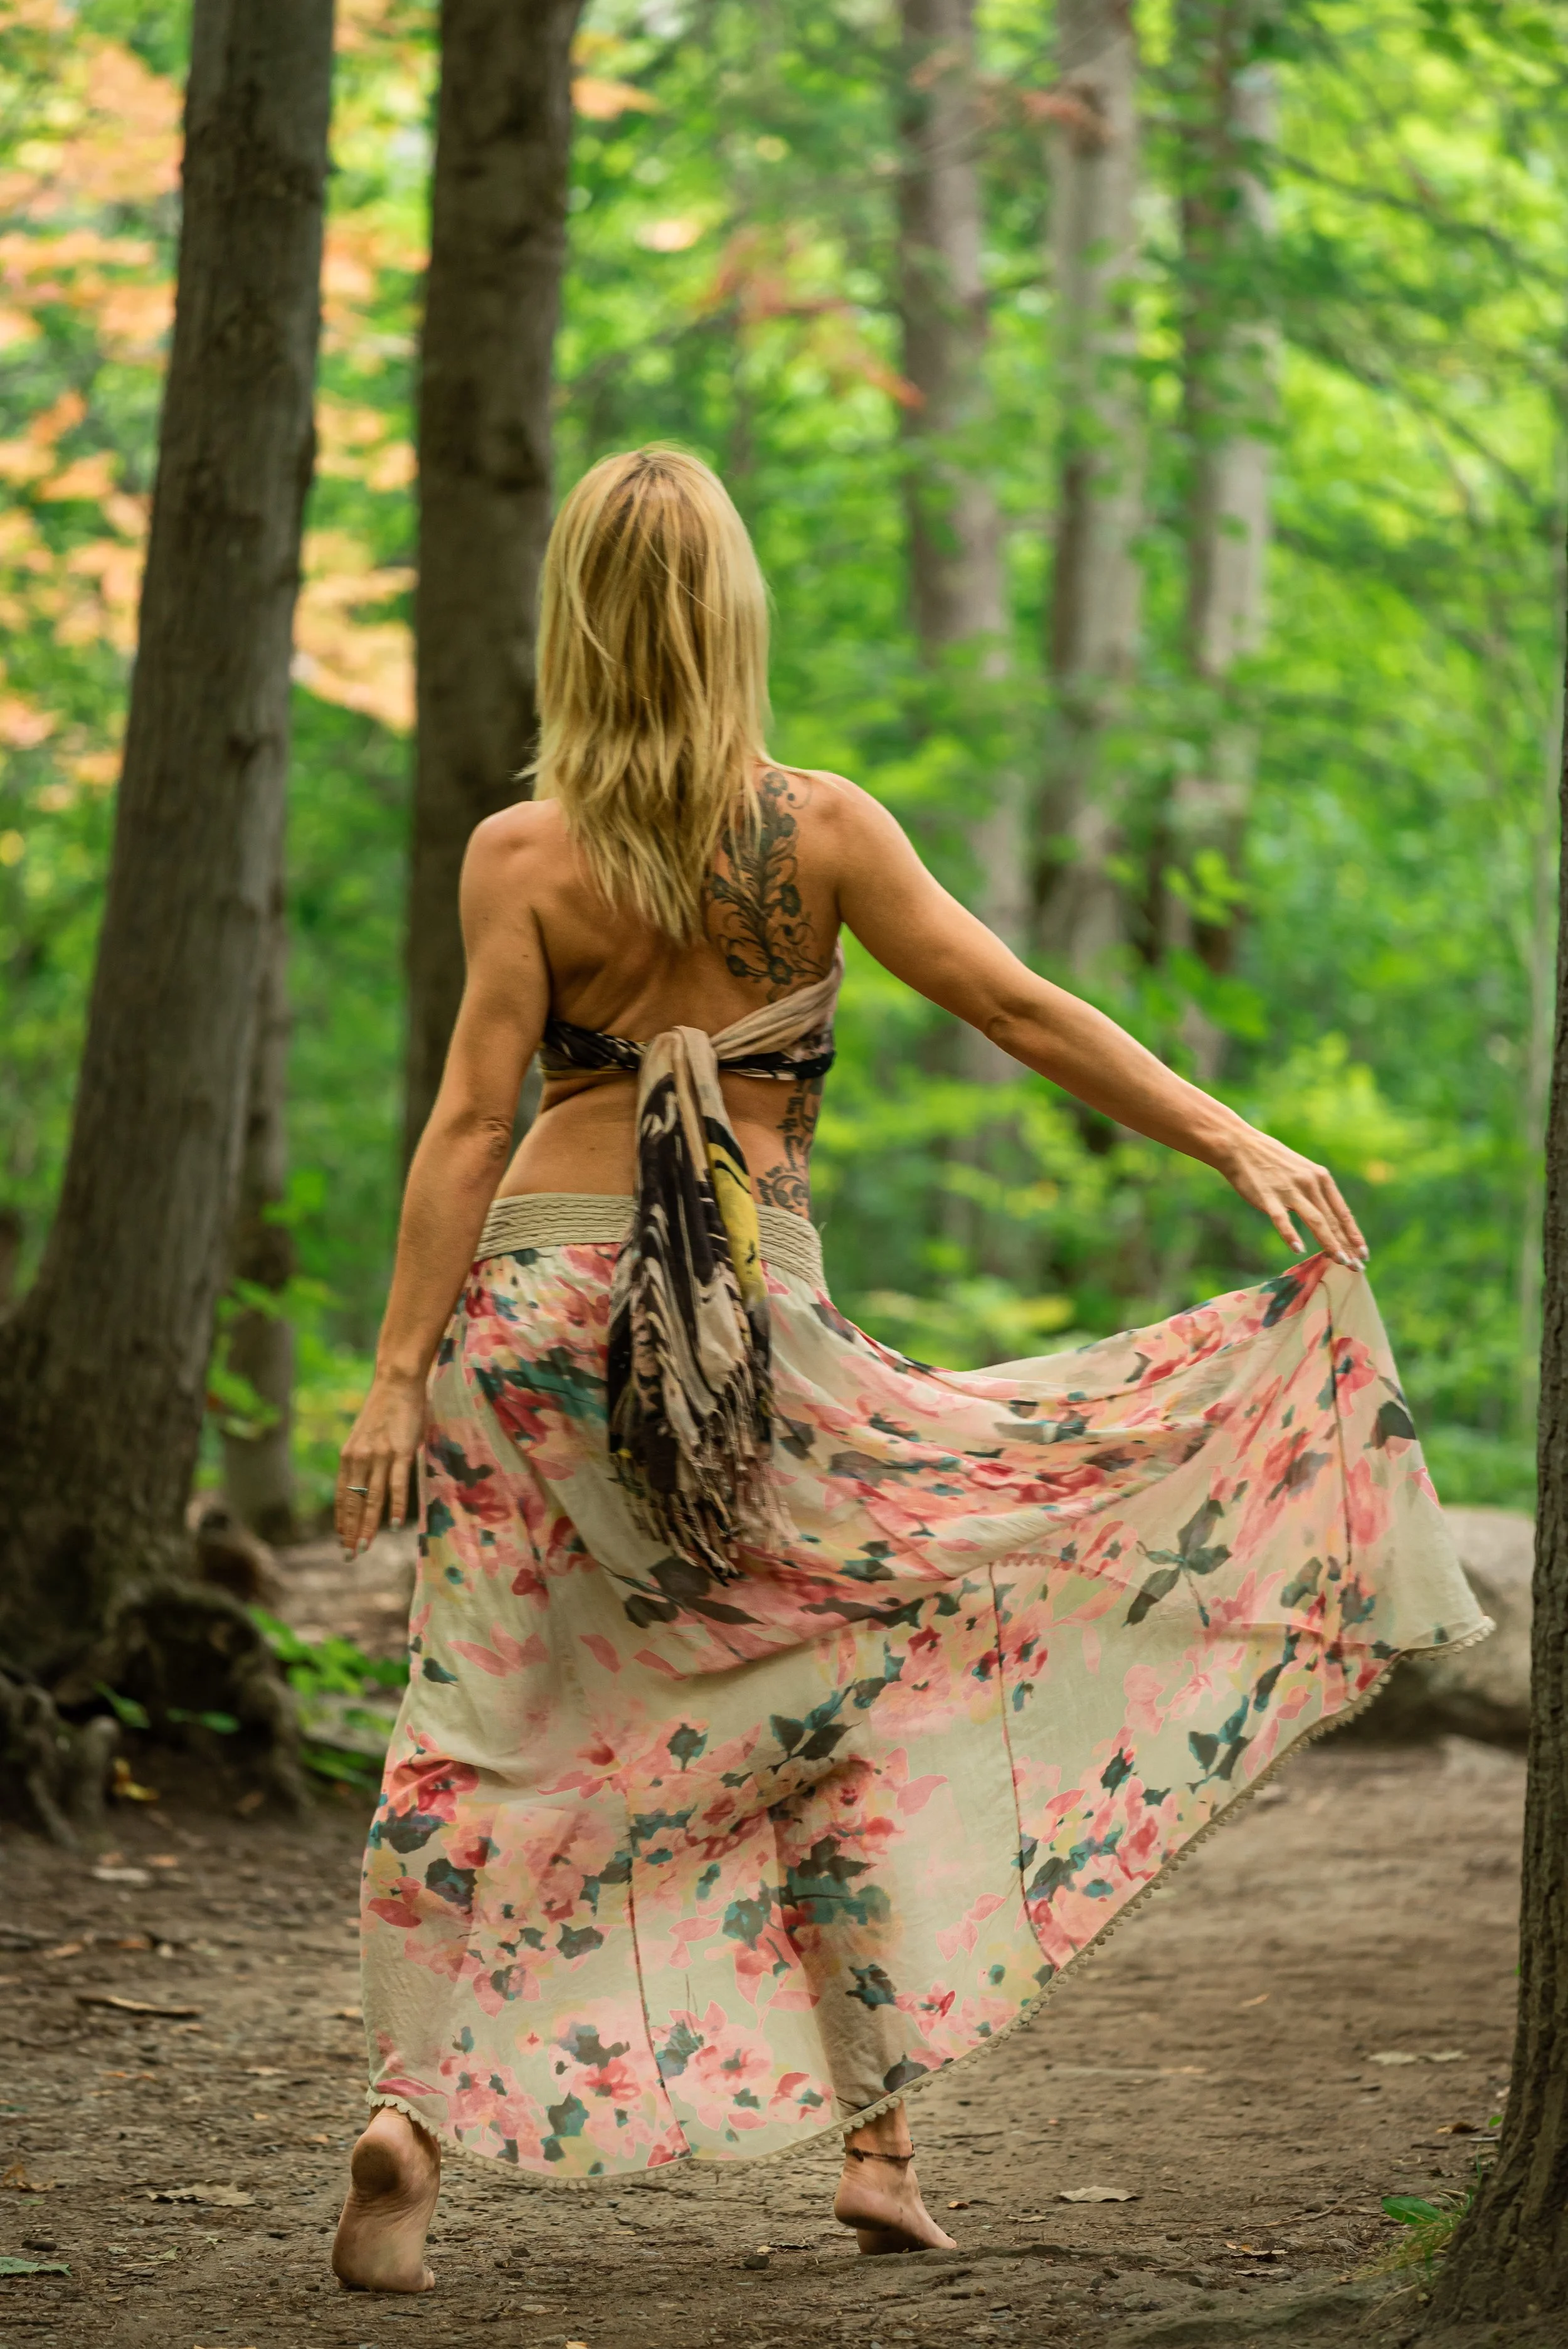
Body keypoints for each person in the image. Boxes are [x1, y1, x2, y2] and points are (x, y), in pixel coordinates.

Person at [329, 447, 1486, 2294]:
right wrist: (1231, 1142)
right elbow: (1020, 1007)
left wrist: (393, 1377)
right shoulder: (824, 832)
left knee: (480, 1714)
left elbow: (472, 1122)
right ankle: (874, 2147)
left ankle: (410, 2111)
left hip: (535, 1316)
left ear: (575, 629)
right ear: (731, 619)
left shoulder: (521, 853)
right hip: (753, 1333)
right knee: (841, 1708)